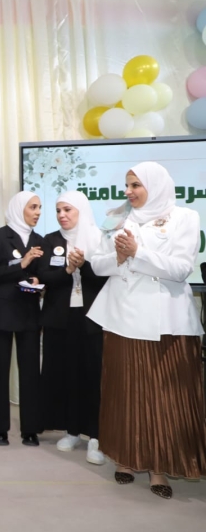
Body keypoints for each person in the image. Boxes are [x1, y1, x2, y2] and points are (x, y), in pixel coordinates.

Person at [87, 162, 206, 499]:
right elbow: (97, 263)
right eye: (127, 185)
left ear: (155, 185)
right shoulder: (117, 218)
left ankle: (159, 468)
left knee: (165, 397)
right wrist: (119, 258)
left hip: (168, 323)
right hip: (122, 319)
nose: (128, 192)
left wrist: (138, 253)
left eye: (135, 185)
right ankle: (125, 460)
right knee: (124, 392)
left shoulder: (184, 217)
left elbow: (181, 269)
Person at [37, 191, 107, 465]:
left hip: (92, 319)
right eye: (58, 210)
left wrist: (83, 265)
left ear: (81, 210)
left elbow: (105, 278)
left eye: (68, 209)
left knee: (92, 375)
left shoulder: (99, 239)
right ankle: (72, 430)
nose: (62, 215)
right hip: (60, 318)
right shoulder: (50, 240)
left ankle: (97, 437)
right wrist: (67, 270)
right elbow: (43, 276)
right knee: (65, 374)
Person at [0, 191, 44, 447]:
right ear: (19, 209)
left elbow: (44, 273)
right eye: (33, 207)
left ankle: (31, 428)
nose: (38, 212)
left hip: (29, 313)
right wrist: (21, 264)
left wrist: (39, 280)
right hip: (1, 313)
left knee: (30, 371)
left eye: (39, 208)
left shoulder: (40, 240)